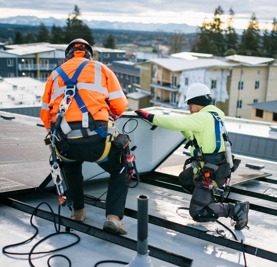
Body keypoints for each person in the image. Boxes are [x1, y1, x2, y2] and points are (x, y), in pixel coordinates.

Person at [40, 38, 129, 235]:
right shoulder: (101, 69)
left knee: (70, 167)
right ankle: (113, 218)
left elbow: (45, 116)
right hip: (98, 143)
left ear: (68, 55)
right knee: (121, 167)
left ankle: (78, 212)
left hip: (66, 145)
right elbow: (120, 105)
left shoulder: (55, 75)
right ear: (88, 54)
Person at [135, 83, 250, 230]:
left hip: (210, 171)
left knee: (198, 212)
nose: (189, 108)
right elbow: (197, 136)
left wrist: (150, 117)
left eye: (190, 104)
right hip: (213, 167)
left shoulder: (203, 118)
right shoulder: (213, 117)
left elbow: (177, 122)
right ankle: (207, 199)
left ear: (199, 104)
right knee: (185, 178)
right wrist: (185, 130)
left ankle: (235, 210)